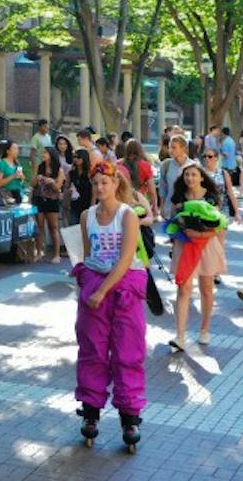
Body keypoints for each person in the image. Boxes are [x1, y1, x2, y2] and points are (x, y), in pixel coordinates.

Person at [73, 160, 147, 452]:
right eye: (96, 183)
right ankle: (90, 413)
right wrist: (92, 287)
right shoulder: (86, 216)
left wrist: (102, 290)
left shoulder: (127, 215)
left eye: (105, 182)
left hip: (124, 287)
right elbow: (88, 255)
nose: (100, 187)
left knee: (128, 351)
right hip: (95, 285)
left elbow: (127, 258)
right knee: (92, 349)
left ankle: (129, 416)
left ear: (116, 183)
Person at [168, 163, 227, 352]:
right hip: (184, 246)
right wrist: (181, 229)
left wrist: (200, 235)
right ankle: (180, 336)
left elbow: (219, 226)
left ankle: (205, 329)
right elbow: (171, 221)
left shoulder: (211, 198)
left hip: (206, 246)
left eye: (194, 174)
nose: (190, 178)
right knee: (183, 289)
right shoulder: (178, 197)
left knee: (206, 288)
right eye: (187, 175)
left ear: (201, 177)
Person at [33, 142, 66, 261]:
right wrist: (36, 177)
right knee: (40, 226)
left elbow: (58, 187)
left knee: (53, 226)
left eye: (46, 153)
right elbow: (33, 184)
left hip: (52, 199)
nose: (43, 155)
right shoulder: (39, 166)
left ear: (52, 155)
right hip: (39, 198)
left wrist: (51, 181)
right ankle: (39, 251)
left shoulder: (59, 170)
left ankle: (56, 254)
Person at [0, 138, 26, 205]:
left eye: (17, 149)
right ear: (8, 151)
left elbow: (21, 181)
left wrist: (22, 178)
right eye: (14, 149)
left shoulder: (17, 163)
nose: (17, 151)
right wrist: (13, 176)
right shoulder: (2, 163)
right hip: (6, 195)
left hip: (18, 193)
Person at [69, 139, 93, 227]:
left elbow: (94, 190)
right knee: (73, 226)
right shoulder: (72, 172)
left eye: (78, 157)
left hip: (87, 202)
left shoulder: (90, 173)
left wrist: (92, 205)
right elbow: (67, 186)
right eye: (74, 157)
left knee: (86, 227)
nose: (76, 159)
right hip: (75, 203)